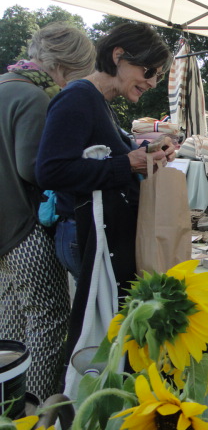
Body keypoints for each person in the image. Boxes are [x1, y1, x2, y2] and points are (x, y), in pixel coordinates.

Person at [35, 22, 175, 362]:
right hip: (84, 235)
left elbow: (106, 155)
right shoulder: (78, 98)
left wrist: (150, 151)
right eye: (149, 70)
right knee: (102, 340)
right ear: (119, 56)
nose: (152, 81)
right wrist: (127, 165)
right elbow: (50, 171)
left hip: (96, 233)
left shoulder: (96, 101)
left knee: (109, 335)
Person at [0, 22, 96, 400]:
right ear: (68, 64)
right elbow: (33, 167)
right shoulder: (34, 98)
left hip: (4, 230)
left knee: (12, 315)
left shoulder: (5, 86)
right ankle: (37, 409)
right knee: (49, 318)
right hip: (23, 228)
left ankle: (8, 402)